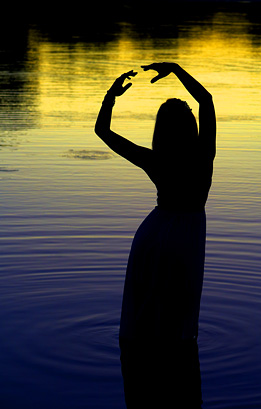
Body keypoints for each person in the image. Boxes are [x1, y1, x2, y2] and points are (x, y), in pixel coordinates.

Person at [95, 62, 216, 409]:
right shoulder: (202, 155)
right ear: (191, 127)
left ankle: (143, 385)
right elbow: (206, 99)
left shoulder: (155, 159)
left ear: (160, 130)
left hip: (152, 233)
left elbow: (102, 131)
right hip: (185, 235)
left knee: (146, 310)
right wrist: (176, 69)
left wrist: (111, 96)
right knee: (177, 315)